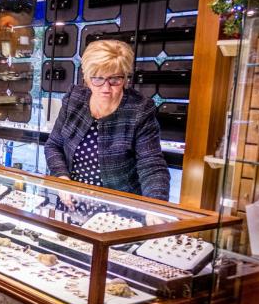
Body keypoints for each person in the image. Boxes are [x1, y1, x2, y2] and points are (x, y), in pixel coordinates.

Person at [44, 39, 169, 200]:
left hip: (119, 206)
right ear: (86, 78)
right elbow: (53, 145)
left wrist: (155, 205)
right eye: (97, 79)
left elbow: (151, 165)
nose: (106, 88)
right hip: (72, 200)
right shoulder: (74, 99)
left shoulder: (139, 109)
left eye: (115, 79)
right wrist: (62, 178)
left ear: (125, 79)